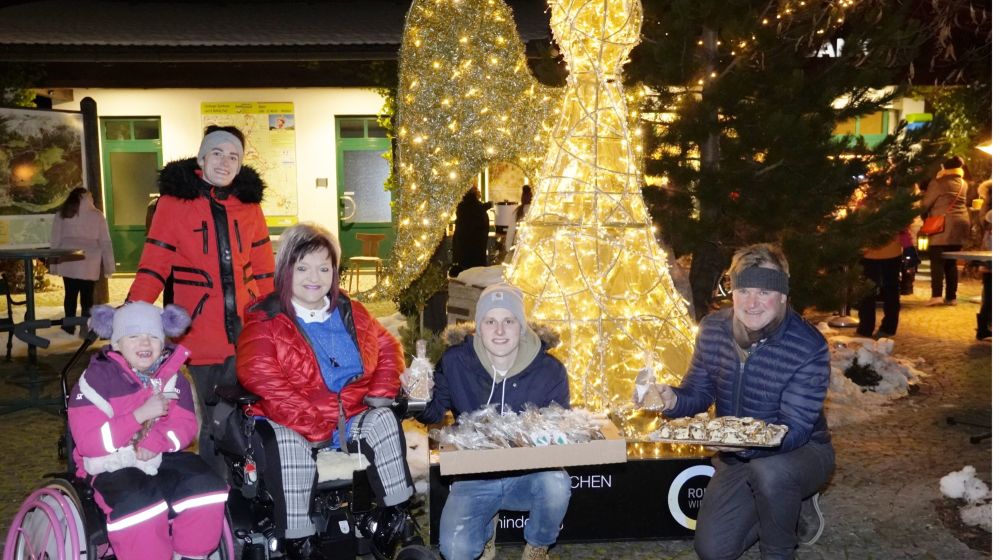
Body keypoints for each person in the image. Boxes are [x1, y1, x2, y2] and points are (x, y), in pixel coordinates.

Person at [637, 244, 834, 560]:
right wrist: (672, 399)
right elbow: (698, 393)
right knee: (713, 550)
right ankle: (782, 503)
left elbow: (794, 429)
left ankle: (780, 545)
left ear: (782, 294)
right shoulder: (714, 329)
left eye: (764, 292)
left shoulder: (808, 346)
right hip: (739, 457)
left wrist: (744, 445)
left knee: (770, 473)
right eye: (743, 290)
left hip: (801, 452)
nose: (752, 303)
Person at [236, 223, 419, 560]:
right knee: (286, 443)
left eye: (324, 268)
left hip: (348, 416)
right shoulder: (266, 319)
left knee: (382, 420)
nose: (314, 277)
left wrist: (380, 393)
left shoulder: (352, 311)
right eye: (302, 267)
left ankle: (392, 517)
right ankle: (299, 540)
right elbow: (258, 374)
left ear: (335, 273)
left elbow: (388, 347)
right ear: (286, 270)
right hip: (292, 418)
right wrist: (313, 425)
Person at [128, 125, 275, 469]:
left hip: (247, 328)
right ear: (202, 157)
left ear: (240, 165)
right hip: (199, 329)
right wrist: (131, 313)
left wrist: (275, 316)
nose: (225, 162)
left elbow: (264, 267)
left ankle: (251, 487)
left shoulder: (249, 206)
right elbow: (154, 263)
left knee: (252, 410)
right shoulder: (174, 203)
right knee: (214, 418)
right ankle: (216, 490)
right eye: (218, 154)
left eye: (233, 156)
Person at [419, 283, 572, 560]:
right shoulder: (456, 362)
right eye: (490, 321)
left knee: (557, 483)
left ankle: (537, 545)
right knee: (455, 552)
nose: (499, 331)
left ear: (522, 326)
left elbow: (559, 430)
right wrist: (415, 396)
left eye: (508, 321)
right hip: (475, 475)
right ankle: (486, 530)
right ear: (478, 325)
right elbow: (432, 413)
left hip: (530, 474)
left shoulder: (550, 370)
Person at [68, 302, 228, 560]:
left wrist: (156, 440)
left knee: (205, 484)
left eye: (153, 336)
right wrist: (138, 416)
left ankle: (191, 554)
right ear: (117, 342)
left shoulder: (173, 378)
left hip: (159, 456)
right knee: (140, 504)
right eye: (134, 336)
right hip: (109, 464)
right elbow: (89, 442)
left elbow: (185, 427)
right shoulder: (94, 382)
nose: (145, 343)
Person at [49, 187, 115, 335]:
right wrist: (109, 264)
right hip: (89, 261)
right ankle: (86, 326)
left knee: (70, 294)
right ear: (88, 198)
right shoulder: (97, 215)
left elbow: (55, 239)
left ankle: (69, 326)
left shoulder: (63, 213)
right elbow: (105, 241)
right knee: (87, 296)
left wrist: (53, 263)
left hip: (68, 259)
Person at [921, 156, 971, 305]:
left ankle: (936, 295)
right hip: (961, 223)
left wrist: (923, 215)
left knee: (937, 260)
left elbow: (925, 204)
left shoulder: (938, 183)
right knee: (951, 261)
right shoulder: (963, 183)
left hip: (942, 224)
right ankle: (951, 297)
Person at [450, 186, 491, 276]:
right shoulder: (478, 208)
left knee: (464, 275)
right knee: (475, 276)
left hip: (462, 250)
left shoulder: (462, 207)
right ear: (475, 193)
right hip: (476, 251)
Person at [504, 184, 533, 252]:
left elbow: (510, 231)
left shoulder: (518, 211)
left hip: (519, 245)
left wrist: (508, 249)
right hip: (532, 246)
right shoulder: (536, 210)